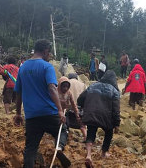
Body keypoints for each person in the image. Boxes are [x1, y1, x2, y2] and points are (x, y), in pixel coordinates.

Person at [13, 39, 71, 168]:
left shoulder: (23, 68)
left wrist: (18, 113)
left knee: (30, 149)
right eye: (49, 53)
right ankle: (59, 148)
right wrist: (60, 110)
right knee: (63, 130)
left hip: (32, 115)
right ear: (45, 51)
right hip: (49, 112)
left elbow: (19, 92)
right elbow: (52, 88)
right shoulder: (47, 66)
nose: (49, 56)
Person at [77, 70, 120, 168]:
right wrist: (117, 123)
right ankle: (104, 153)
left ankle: (88, 154)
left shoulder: (92, 86)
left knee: (91, 132)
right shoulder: (114, 91)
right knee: (109, 133)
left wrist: (85, 107)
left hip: (91, 114)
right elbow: (116, 109)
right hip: (106, 117)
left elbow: (80, 99)